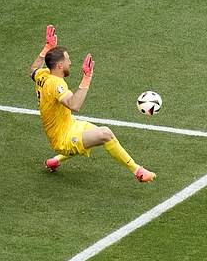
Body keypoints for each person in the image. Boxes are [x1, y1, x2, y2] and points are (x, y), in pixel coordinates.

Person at [30, 25, 156, 183]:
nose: (71, 63)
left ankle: (56, 160)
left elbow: (33, 69)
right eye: (68, 60)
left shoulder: (43, 75)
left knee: (97, 136)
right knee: (105, 134)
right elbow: (74, 105)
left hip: (69, 125)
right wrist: (87, 78)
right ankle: (138, 171)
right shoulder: (56, 84)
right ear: (60, 65)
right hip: (63, 138)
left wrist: (47, 47)